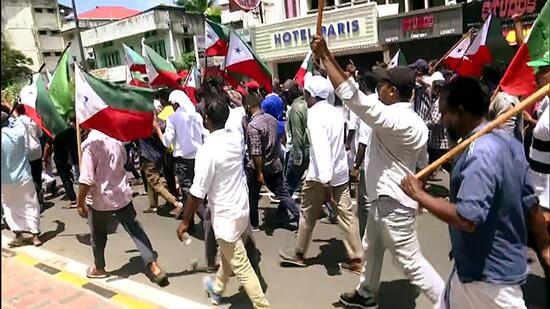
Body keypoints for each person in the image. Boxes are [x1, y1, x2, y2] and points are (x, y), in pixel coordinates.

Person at [309, 35, 444, 307]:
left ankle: (450, 300)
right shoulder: (414, 122)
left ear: (392, 91)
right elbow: (423, 165)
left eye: (382, 83)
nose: (378, 89)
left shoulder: (394, 120)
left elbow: (353, 97)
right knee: (371, 247)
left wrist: (325, 56)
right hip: (385, 201)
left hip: (392, 203)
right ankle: (367, 292)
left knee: (412, 263)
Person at [401, 77, 550, 309]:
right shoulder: (508, 144)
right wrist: (545, 247)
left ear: (460, 112)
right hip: (468, 271)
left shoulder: (480, 153)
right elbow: (530, 204)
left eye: (444, 114)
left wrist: (420, 195)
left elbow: (467, 217)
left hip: (490, 280)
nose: (442, 121)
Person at [176, 98, 270, 308]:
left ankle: (262, 304)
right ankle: (217, 289)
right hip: (241, 209)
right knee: (230, 256)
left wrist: (185, 222)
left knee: (242, 266)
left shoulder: (208, 149)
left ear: (206, 119)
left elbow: (197, 193)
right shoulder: (235, 138)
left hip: (226, 215)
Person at [279, 74, 363, 274]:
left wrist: (326, 183)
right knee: (347, 215)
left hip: (321, 176)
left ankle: (299, 254)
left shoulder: (314, 116)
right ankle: (357, 258)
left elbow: (322, 149)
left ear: (310, 94)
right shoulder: (336, 112)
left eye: (306, 93)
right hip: (340, 172)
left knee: (307, 215)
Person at [77, 129, 167, 284]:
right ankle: (153, 266)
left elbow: (86, 179)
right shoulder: (116, 140)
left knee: (98, 234)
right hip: (121, 194)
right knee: (134, 229)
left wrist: (80, 202)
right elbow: (124, 162)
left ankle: (99, 268)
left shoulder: (89, 145)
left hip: (100, 199)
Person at [244, 93, 299, 230]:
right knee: (283, 194)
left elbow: (256, 152)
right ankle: (299, 216)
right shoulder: (272, 120)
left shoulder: (253, 126)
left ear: (250, 107)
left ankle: (254, 223)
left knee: (253, 195)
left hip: (259, 166)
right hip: (275, 164)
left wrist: (259, 173)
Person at [161, 90, 205, 219]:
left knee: (188, 191)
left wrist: (160, 133)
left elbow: (167, 141)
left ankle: (204, 217)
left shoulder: (173, 118)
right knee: (199, 189)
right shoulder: (197, 116)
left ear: (175, 103)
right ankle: (188, 221)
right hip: (199, 158)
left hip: (182, 159)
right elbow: (204, 134)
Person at [1, 111, 42, 247]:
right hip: (23, 177)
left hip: (5, 180)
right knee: (30, 204)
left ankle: (18, 234)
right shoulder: (18, 133)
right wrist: (9, 107)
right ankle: (35, 235)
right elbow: (19, 119)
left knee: (10, 207)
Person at [139, 111, 183, 215]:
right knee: (151, 181)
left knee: (155, 183)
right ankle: (153, 205)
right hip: (158, 156)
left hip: (149, 157)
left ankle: (176, 202)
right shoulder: (162, 124)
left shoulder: (145, 126)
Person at [350, 71, 378, 239]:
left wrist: (356, 165)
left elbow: (363, 140)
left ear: (363, 86)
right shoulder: (377, 102)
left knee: (365, 203)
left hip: (368, 160)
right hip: (376, 158)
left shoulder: (367, 105)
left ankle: (367, 239)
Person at [14, 104, 44, 206]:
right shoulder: (32, 120)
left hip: (25, 153)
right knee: (37, 174)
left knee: (28, 177)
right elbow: (40, 134)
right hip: (36, 150)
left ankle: (32, 199)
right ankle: (39, 197)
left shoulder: (16, 123)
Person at [284, 80, 309, 198]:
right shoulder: (306, 104)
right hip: (309, 150)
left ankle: (285, 210)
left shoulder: (295, 108)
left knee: (289, 184)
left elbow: (297, 135)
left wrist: (297, 159)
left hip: (299, 152)